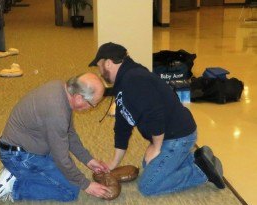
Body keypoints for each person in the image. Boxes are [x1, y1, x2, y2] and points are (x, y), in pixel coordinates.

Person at [89, 42, 225, 197]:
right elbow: (122, 126)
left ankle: (200, 171)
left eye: (99, 66)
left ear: (108, 63)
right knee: (148, 165)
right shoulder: (123, 82)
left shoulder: (134, 79)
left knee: (148, 186)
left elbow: (155, 113)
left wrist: (156, 147)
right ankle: (194, 159)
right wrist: (113, 164)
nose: (100, 71)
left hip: (178, 136)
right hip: (170, 134)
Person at [0, 73, 111, 205]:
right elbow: (61, 158)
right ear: (78, 98)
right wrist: (87, 185)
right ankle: (12, 187)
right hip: (18, 156)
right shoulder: (57, 112)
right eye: (93, 104)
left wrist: (89, 160)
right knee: (70, 191)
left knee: (69, 173)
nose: (92, 108)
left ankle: (17, 173)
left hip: (27, 146)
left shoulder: (61, 89)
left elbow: (69, 133)